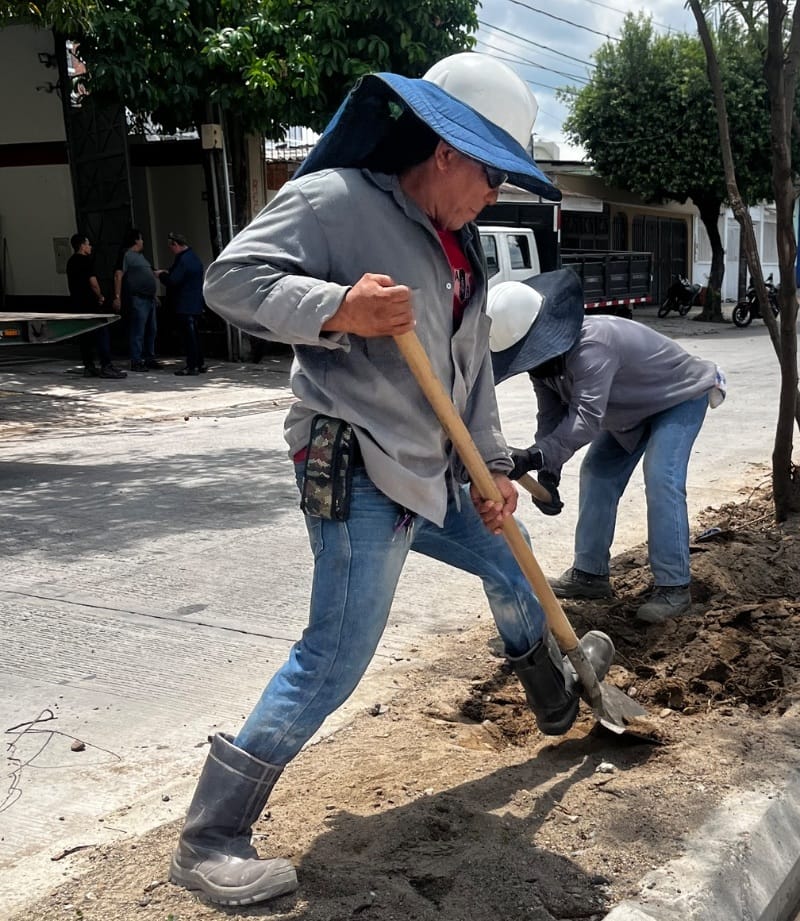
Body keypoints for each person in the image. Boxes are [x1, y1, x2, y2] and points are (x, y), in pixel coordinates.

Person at [167, 54, 614, 908]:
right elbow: (231, 280)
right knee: (336, 652)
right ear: (445, 150)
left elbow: (473, 378)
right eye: (490, 175)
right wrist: (339, 308)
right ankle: (210, 836)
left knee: (509, 557)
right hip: (357, 460)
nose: (495, 195)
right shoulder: (335, 201)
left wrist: (492, 468)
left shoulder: (466, 251)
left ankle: (556, 697)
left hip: (432, 467)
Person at [488, 270, 726, 625]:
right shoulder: (543, 367)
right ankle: (590, 575)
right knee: (597, 473)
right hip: (630, 411)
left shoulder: (593, 344)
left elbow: (585, 418)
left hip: (678, 397)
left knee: (661, 477)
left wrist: (534, 456)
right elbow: (551, 417)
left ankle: (674, 587)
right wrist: (548, 473)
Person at [65, 234, 126, 379]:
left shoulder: (71, 262)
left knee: (84, 335)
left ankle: (89, 366)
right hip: (90, 303)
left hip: (77, 303)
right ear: (82, 246)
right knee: (102, 332)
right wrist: (99, 296)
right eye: (88, 244)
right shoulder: (86, 261)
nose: (90, 246)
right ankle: (106, 365)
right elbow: (93, 282)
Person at [157, 232, 207, 375]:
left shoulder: (183, 260)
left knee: (189, 337)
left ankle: (192, 366)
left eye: (171, 247)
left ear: (176, 244)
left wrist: (161, 275)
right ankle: (199, 363)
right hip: (195, 303)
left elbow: (173, 280)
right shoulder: (193, 257)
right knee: (195, 335)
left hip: (185, 304)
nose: (171, 250)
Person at [113, 228, 162, 371]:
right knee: (138, 330)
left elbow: (150, 274)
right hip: (138, 298)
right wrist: (117, 297)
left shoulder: (142, 257)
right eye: (141, 239)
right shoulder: (126, 254)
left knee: (151, 330)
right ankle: (136, 360)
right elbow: (118, 275)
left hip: (149, 298)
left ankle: (149, 358)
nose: (143, 242)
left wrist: (154, 295)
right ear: (136, 240)